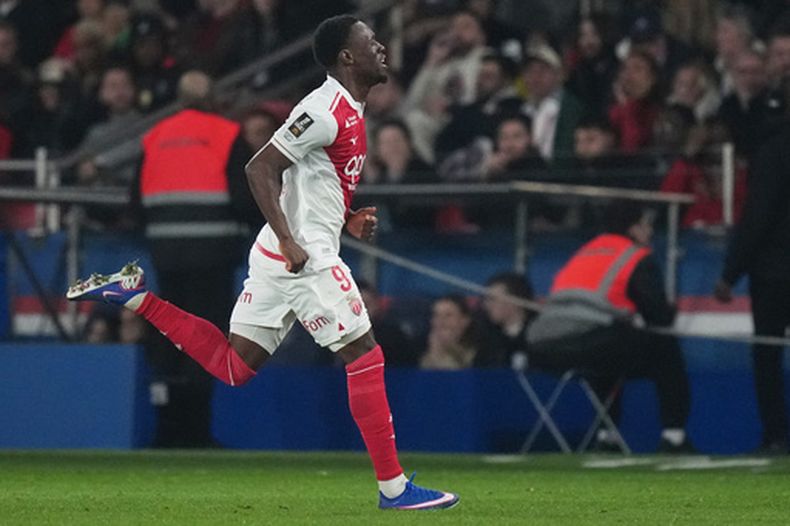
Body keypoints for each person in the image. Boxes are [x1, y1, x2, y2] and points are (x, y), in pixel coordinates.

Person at [67, 15, 458, 511]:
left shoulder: (350, 110)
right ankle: (395, 489)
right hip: (301, 256)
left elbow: (309, 184)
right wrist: (292, 238)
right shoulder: (323, 108)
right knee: (365, 354)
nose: (381, 47)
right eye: (370, 41)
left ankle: (136, 296)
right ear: (346, 57)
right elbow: (260, 168)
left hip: (286, 252)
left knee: (235, 367)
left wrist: (346, 219)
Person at [131, 70, 254, 448]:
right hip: (213, 256)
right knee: (204, 339)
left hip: (166, 257)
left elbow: (136, 203)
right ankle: (196, 432)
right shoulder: (227, 135)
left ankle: (168, 429)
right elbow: (246, 197)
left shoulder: (155, 137)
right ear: (213, 97)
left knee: (168, 338)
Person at [526, 203, 693, 453]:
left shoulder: (585, 252)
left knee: (608, 357)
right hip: (591, 338)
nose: (649, 232)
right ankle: (674, 436)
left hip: (541, 345)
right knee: (664, 349)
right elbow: (658, 317)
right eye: (646, 225)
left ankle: (607, 435)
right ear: (633, 228)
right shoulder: (634, 255)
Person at [715, 125, 790, 454]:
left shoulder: (775, 151)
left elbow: (758, 214)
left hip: (775, 271)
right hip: (775, 266)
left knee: (767, 355)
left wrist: (730, 274)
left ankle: (775, 436)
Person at [478, 272, 534, 368]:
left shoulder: (540, 337)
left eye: (492, 299)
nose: (486, 306)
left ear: (516, 300)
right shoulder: (485, 338)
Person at [420, 295, 478, 370]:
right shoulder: (420, 350)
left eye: (448, 315)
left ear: (464, 321)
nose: (440, 321)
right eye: (436, 315)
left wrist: (437, 355)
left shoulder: (479, 354)